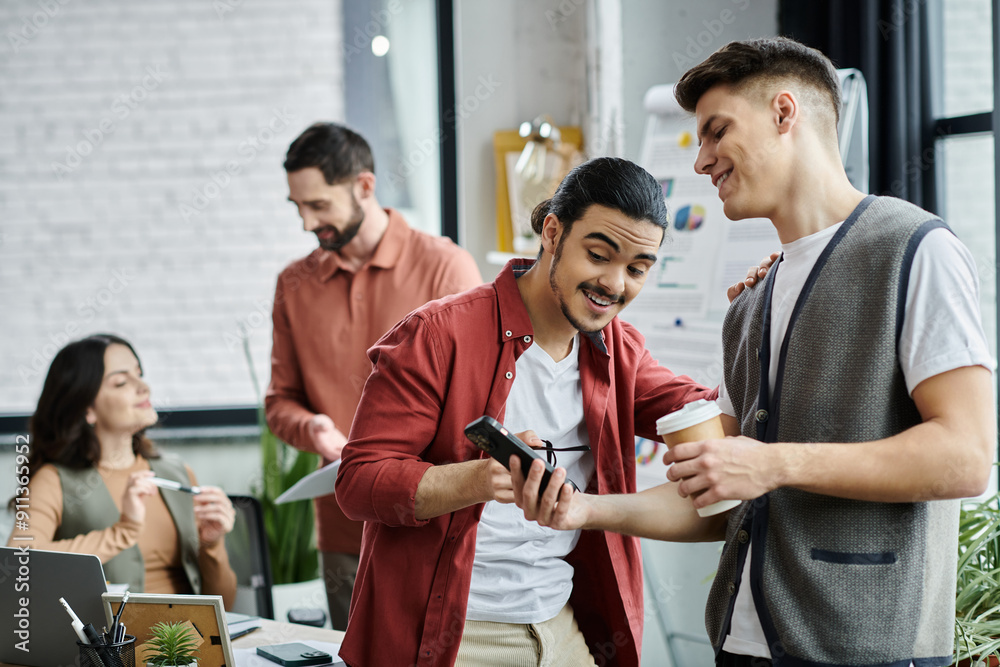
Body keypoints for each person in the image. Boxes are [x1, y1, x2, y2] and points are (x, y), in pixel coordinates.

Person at [512, 37, 995, 667]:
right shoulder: (750, 303)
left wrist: (772, 463)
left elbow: (966, 457)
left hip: (862, 648)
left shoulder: (916, 250)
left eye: (717, 132)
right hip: (739, 644)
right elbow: (720, 496)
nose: (700, 161)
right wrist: (583, 509)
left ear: (784, 113)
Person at [334, 156, 721, 667]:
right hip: (455, 635)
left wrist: (755, 312)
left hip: (561, 627)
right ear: (553, 233)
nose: (614, 283)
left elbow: (710, 415)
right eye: (598, 255)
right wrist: (479, 479)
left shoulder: (619, 351)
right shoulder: (436, 334)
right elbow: (359, 481)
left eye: (636, 269)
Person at [264, 122, 483, 630]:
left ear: (364, 185)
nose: (307, 222)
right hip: (343, 532)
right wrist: (313, 428)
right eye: (298, 207)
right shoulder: (293, 284)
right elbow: (279, 401)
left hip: (434, 521)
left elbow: (483, 398)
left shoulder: (446, 267)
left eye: (318, 205)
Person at [7, 334, 237, 608]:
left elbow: (225, 605)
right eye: (121, 382)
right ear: (87, 408)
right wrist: (121, 533)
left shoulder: (178, 473)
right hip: (115, 637)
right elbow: (20, 564)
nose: (144, 387)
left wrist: (211, 545)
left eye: (139, 375)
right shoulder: (53, 480)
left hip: (189, 634)